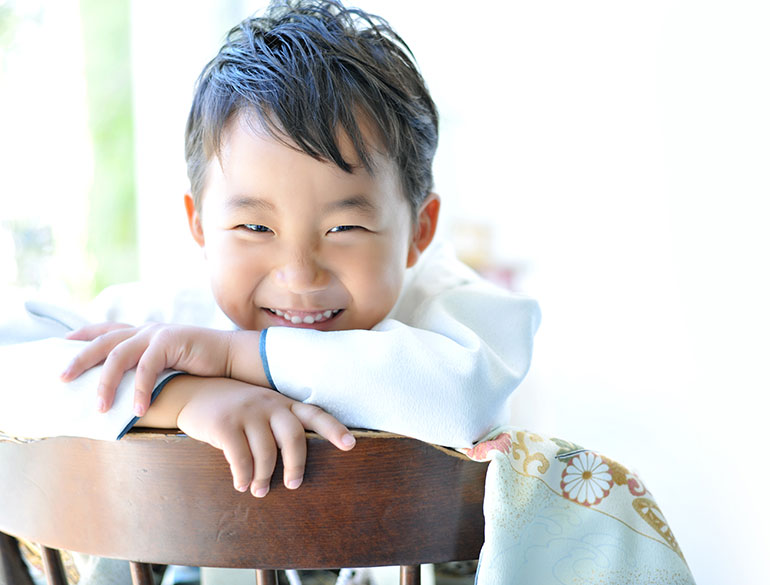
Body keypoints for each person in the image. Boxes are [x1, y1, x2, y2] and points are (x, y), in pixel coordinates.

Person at [56, 0, 541, 502]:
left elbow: (461, 401)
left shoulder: (457, 313)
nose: (299, 274)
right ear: (199, 226)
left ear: (420, 230)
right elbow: (22, 366)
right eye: (254, 226)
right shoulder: (170, 317)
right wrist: (181, 396)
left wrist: (231, 355)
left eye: (344, 227)